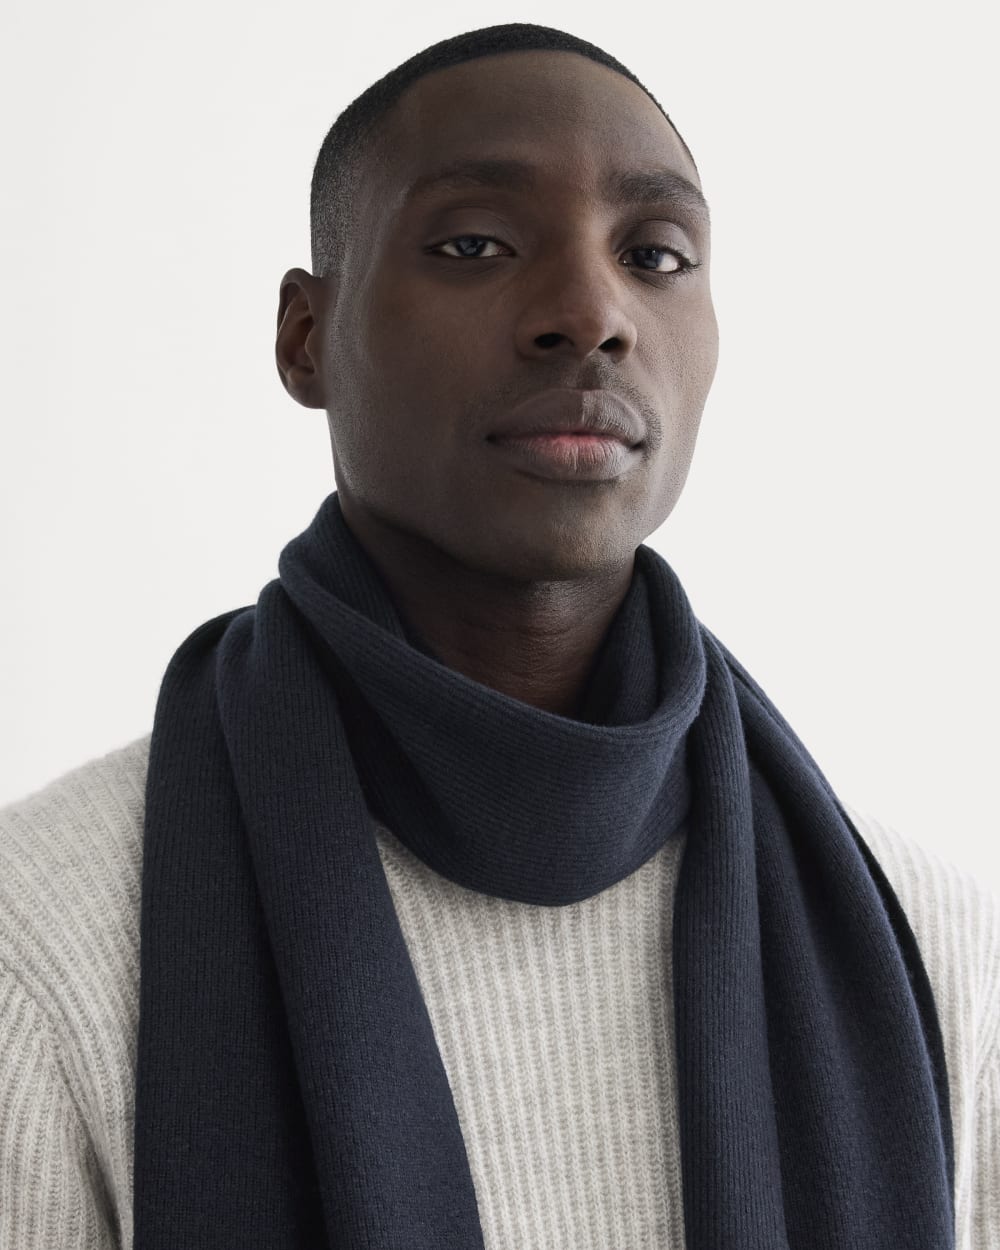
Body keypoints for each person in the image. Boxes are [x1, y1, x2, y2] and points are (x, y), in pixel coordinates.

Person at [1, 21, 996, 1250]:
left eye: (655, 253)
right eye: (474, 243)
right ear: (305, 336)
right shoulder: (42, 944)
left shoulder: (932, 951)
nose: (589, 312)